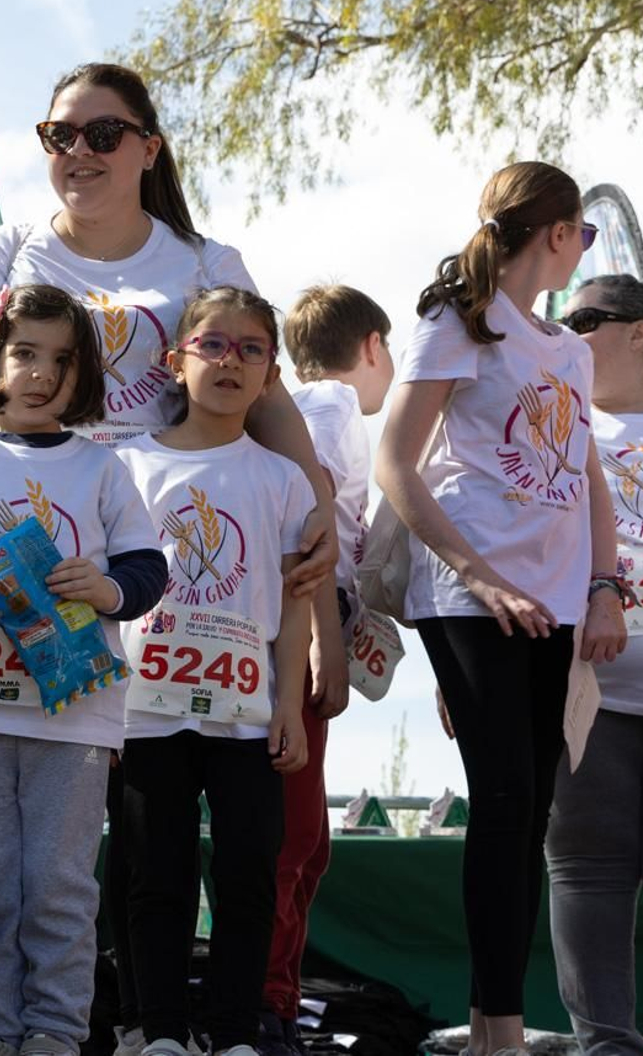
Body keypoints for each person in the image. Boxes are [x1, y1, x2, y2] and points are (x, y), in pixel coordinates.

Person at [0, 65, 337, 1056]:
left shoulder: (203, 257)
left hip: (153, 570)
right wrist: (44, 501)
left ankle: (95, 1021)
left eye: (102, 136)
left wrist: (317, 504)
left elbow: (267, 403)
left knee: (118, 824)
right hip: (24, 559)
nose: (77, 155)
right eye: (58, 135)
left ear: (150, 146)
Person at [374, 162, 626, 1056]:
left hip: (556, 600)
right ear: (555, 234)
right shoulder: (458, 322)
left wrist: (605, 583)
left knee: (535, 807)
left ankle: (496, 1020)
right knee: (506, 795)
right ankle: (501, 1027)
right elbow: (395, 463)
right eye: (582, 236)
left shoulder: (568, 348)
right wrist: (477, 575)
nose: (582, 251)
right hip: (470, 595)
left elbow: (589, 475)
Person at [0, 284, 166, 1056]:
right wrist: (3, 556)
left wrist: (108, 586)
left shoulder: (104, 468)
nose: (40, 372)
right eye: (25, 351)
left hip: (77, 711)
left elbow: (148, 568)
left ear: (83, 373)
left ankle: (54, 1032)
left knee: (59, 884)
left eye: (62, 358)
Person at [114, 286, 313, 1056]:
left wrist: (288, 705)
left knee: (248, 878)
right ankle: (160, 1031)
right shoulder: (127, 465)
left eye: (251, 349)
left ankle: (232, 1034)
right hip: (147, 712)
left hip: (247, 717)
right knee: (154, 875)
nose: (231, 361)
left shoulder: (283, 479)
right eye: (214, 345)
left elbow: (295, 606)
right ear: (176, 360)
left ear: (271, 372)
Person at [546, 274, 643, 1056]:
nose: (572, 333)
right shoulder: (555, 424)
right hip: (587, 691)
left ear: (641, 331)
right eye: (563, 322)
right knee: (588, 870)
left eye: (588, 320)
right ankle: (607, 1047)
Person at [262, 285, 396, 1056]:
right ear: (372, 346)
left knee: (308, 841)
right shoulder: (331, 406)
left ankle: (278, 992)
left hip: (313, 618)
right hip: (299, 623)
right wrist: (324, 636)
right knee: (296, 833)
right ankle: (268, 999)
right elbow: (303, 514)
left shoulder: (324, 408)